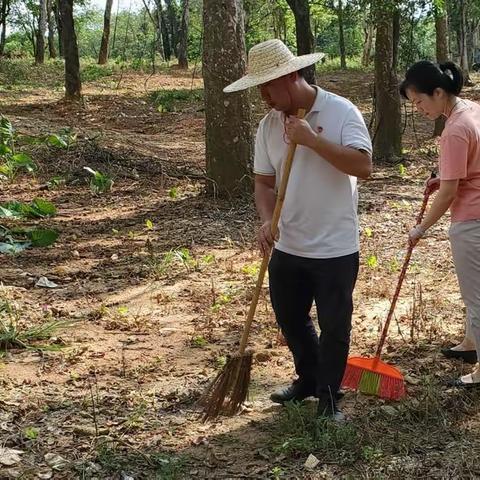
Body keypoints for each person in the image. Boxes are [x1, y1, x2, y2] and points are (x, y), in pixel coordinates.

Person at [224, 39, 372, 419]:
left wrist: (312, 140)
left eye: (267, 88)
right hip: (288, 245)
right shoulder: (267, 126)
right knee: (290, 318)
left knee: (335, 327)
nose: (264, 97)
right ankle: (308, 378)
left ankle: (329, 398)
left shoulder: (340, 112)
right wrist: (265, 218)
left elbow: (363, 167)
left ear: (289, 76)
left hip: (335, 247)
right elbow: (263, 183)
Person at [401, 60, 480, 386]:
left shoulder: (454, 130)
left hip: (472, 221)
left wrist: (420, 229)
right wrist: (444, 177)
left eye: (419, 101)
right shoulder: (472, 110)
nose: (418, 108)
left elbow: (448, 194)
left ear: (438, 92)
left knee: (476, 298)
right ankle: (470, 343)